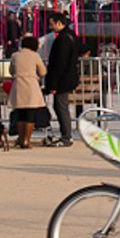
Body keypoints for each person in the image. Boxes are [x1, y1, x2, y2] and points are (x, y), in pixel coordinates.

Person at [44, 13, 80, 147]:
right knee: (60, 105)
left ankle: (66, 136)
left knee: (61, 105)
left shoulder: (63, 39)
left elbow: (60, 62)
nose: (50, 26)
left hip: (63, 78)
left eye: (52, 23)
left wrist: (53, 83)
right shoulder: (71, 36)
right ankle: (66, 134)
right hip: (68, 76)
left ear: (59, 23)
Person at [9, 35, 48, 149]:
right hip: (31, 86)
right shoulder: (35, 56)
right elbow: (43, 71)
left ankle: (20, 139)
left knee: (20, 114)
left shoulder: (15, 56)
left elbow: (11, 71)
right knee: (30, 115)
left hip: (18, 86)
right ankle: (26, 140)